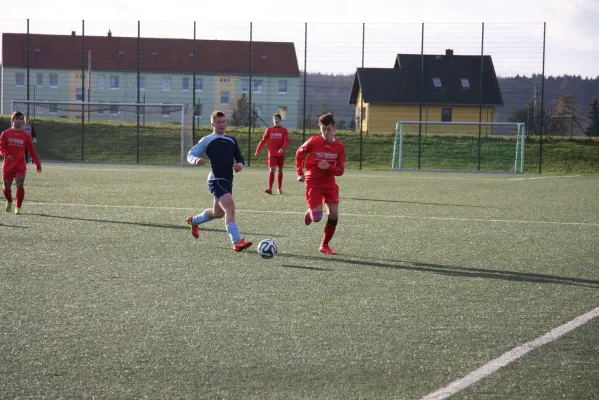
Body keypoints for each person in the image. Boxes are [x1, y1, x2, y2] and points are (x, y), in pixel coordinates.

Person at [185, 110, 252, 252]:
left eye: (223, 122)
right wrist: (196, 160)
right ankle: (237, 242)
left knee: (218, 213)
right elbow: (190, 154)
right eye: (218, 122)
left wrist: (240, 165)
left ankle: (194, 221)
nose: (222, 125)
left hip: (228, 181)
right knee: (230, 207)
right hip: (215, 180)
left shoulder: (231, 140)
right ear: (212, 124)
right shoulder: (207, 140)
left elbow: (240, 158)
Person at [295, 113, 346, 255]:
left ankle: (324, 245)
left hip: (329, 182)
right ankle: (312, 213)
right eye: (323, 129)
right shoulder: (313, 141)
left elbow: (340, 171)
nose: (325, 132)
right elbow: (299, 154)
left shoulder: (339, 147)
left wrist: (329, 168)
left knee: (334, 215)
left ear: (334, 128)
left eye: (328, 129)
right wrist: (300, 173)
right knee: (317, 218)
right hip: (313, 181)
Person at [0, 111, 42, 215]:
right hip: (8, 165)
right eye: (16, 118)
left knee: (20, 185)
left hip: (20, 165)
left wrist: (37, 162)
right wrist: (6, 154)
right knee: (6, 187)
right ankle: (9, 201)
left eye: (20, 119)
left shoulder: (26, 136)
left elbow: (32, 150)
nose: (18, 120)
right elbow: (1, 147)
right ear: (12, 120)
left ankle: (18, 208)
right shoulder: (5, 134)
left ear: (23, 121)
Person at [255, 113, 289, 194]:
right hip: (272, 153)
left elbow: (286, 141)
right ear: (273, 120)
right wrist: (258, 150)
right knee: (272, 169)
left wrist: (282, 148)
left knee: (280, 170)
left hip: (281, 154)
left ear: (280, 120)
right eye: (274, 119)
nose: (276, 120)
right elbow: (263, 140)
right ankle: (269, 188)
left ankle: (279, 188)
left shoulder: (284, 130)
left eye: (277, 119)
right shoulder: (269, 130)